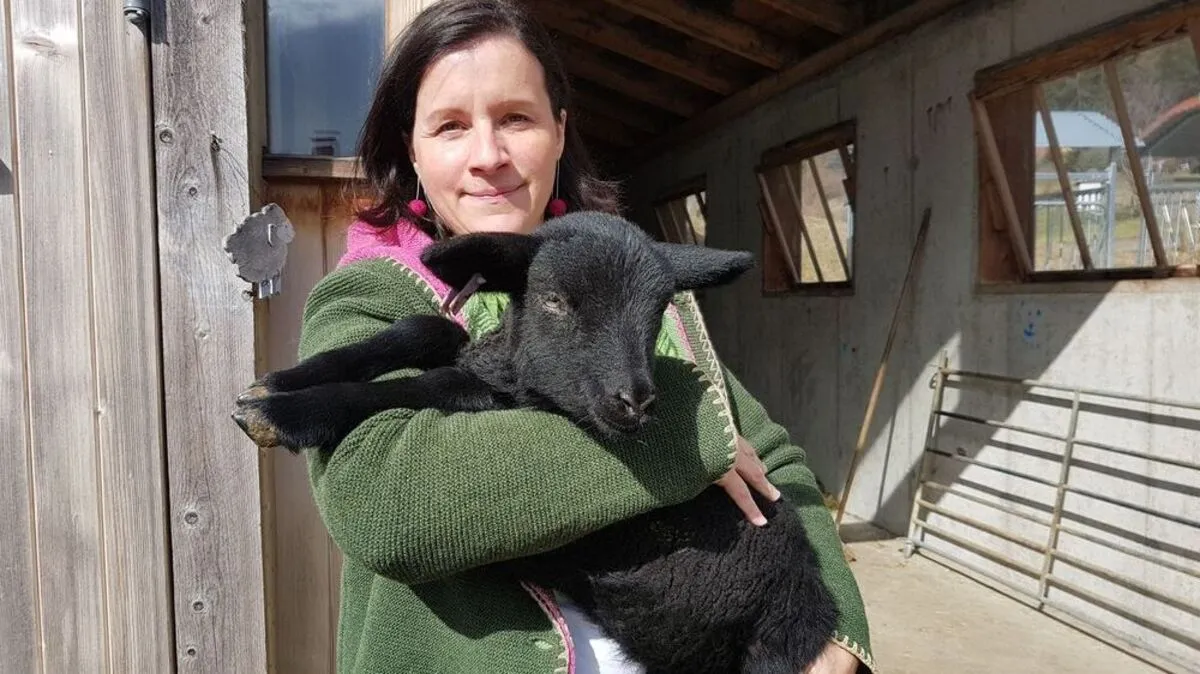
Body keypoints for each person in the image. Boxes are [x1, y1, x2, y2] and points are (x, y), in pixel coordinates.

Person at [295, 1, 875, 672]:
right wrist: (684, 439)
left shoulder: (631, 284)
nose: (488, 156)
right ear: (412, 148)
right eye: (451, 126)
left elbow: (776, 460)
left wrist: (833, 631)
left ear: (559, 132)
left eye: (516, 118)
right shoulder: (371, 296)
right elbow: (390, 504)